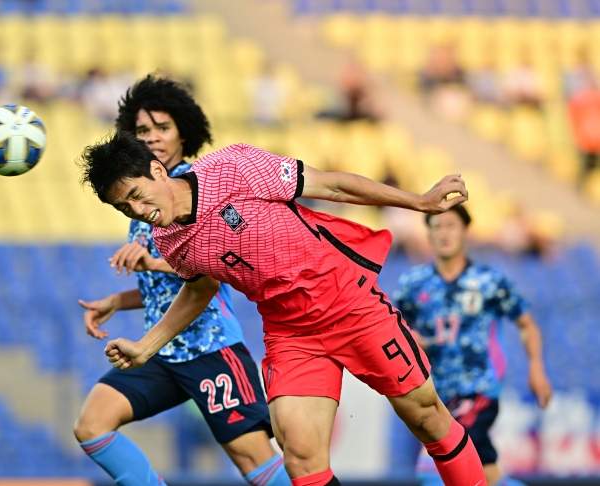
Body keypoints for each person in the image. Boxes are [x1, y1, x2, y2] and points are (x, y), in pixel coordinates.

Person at [78, 131, 488, 484]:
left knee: (427, 417)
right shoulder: (170, 241)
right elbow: (200, 290)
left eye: (134, 195)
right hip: (290, 334)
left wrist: (418, 203)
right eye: (123, 208)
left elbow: (332, 187)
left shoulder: (233, 167)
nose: (136, 210)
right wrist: (145, 346)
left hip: (351, 304)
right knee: (301, 458)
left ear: (157, 171)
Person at [73, 75, 289, 486]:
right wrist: (117, 301)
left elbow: (213, 270)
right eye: (141, 131)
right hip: (159, 351)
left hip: (210, 346)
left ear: (184, 132)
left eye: (162, 128)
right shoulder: (138, 195)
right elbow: (162, 287)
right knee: (91, 424)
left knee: (252, 457)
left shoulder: (199, 186)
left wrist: (152, 263)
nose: (152, 137)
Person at [393, 205, 553, 486]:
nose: (444, 233)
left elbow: (526, 324)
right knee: (488, 476)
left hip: (478, 390)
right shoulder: (413, 284)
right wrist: (412, 342)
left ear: (465, 232)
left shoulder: (489, 281)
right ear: (428, 233)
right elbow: (395, 330)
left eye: (451, 226)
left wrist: (536, 368)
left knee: (432, 463)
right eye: (437, 227)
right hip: (435, 394)